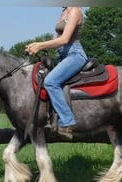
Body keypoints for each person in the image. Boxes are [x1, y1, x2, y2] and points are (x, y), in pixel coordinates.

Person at [25, 7, 88, 139]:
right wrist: (37, 45)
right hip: (62, 56)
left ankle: (67, 122)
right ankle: (49, 117)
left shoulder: (75, 11)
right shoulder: (63, 12)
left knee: (51, 81)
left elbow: (64, 39)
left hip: (75, 55)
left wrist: (40, 45)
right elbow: (56, 41)